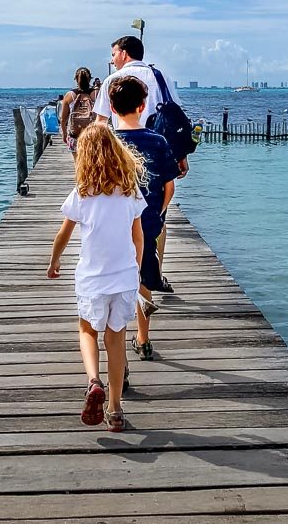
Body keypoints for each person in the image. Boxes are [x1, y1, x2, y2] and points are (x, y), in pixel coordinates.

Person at [47, 124, 146, 432]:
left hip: (92, 279)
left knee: (88, 331)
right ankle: (115, 411)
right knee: (115, 340)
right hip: (124, 279)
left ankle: (93, 381)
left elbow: (63, 234)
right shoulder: (130, 189)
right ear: (116, 150)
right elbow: (138, 237)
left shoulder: (83, 193)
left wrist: (54, 261)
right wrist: (136, 269)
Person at [109, 76, 180, 362]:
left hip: (113, 224)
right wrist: (159, 213)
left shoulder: (109, 141)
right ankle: (143, 338)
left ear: (112, 108)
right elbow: (169, 186)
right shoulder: (158, 141)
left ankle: (119, 354)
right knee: (142, 279)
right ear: (142, 106)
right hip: (148, 221)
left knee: (115, 283)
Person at [93, 35, 189, 179]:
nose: (112, 60)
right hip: (158, 149)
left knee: (126, 193)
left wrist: (97, 157)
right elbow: (176, 119)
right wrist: (182, 156)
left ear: (124, 54)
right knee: (158, 194)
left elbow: (101, 123)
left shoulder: (111, 80)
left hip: (123, 149)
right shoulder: (161, 77)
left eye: (114, 55)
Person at [60, 67, 98, 152]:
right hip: (93, 134)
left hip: (75, 135)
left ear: (76, 79)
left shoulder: (69, 95)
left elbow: (63, 119)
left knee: (78, 163)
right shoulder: (96, 93)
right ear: (90, 79)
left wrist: (64, 134)